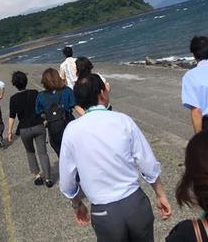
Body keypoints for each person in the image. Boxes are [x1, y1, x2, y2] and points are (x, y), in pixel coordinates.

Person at [59, 74, 173, 241]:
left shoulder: (71, 130)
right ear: (102, 93)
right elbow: (147, 162)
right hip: (135, 203)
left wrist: (77, 204)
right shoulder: (122, 120)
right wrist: (160, 194)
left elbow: (68, 181)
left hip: (104, 212)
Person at [6, 71, 53, 187]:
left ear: (14, 84)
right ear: (26, 81)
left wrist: (9, 132)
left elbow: (12, 116)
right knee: (43, 152)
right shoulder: (35, 93)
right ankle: (48, 179)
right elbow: (42, 109)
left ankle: (37, 176)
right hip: (38, 126)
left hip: (24, 130)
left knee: (30, 152)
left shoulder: (13, 99)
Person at [35, 68, 75, 157]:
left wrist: (51, 116)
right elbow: (74, 105)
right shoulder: (67, 90)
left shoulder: (41, 96)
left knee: (62, 156)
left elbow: (40, 113)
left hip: (54, 130)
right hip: (69, 126)